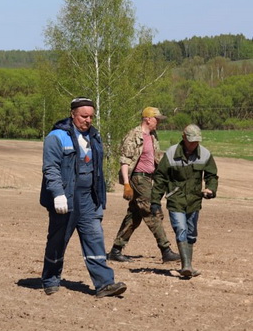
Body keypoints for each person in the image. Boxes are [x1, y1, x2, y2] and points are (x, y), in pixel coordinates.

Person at [40, 97, 126, 298]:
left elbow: (97, 169)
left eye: (91, 117)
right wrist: (58, 194)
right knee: (58, 241)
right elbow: (50, 168)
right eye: (83, 116)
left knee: (95, 238)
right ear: (72, 114)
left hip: (89, 199)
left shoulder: (94, 137)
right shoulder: (56, 137)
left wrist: (101, 197)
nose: (88, 120)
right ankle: (50, 279)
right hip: (66, 198)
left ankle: (104, 283)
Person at [108, 107, 179, 263]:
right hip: (138, 178)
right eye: (157, 119)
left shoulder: (153, 136)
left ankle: (116, 250)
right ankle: (166, 250)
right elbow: (125, 160)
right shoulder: (133, 136)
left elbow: (155, 159)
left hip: (148, 178)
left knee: (134, 216)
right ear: (148, 119)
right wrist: (126, 184)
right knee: (153, 211)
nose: (158, 122)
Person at [151, 124, 218, 278]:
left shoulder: (205, 154)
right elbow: (160, 178)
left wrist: (211, 189)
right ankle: (186, 266)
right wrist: (155, 201)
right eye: (191, 141)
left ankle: (189, 265)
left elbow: (211, 175)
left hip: (194, 200)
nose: (194, 144)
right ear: (184, 137)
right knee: (180, 228)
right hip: (176, 199)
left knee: (191, 233)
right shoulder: (172, 153)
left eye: (196, 141)